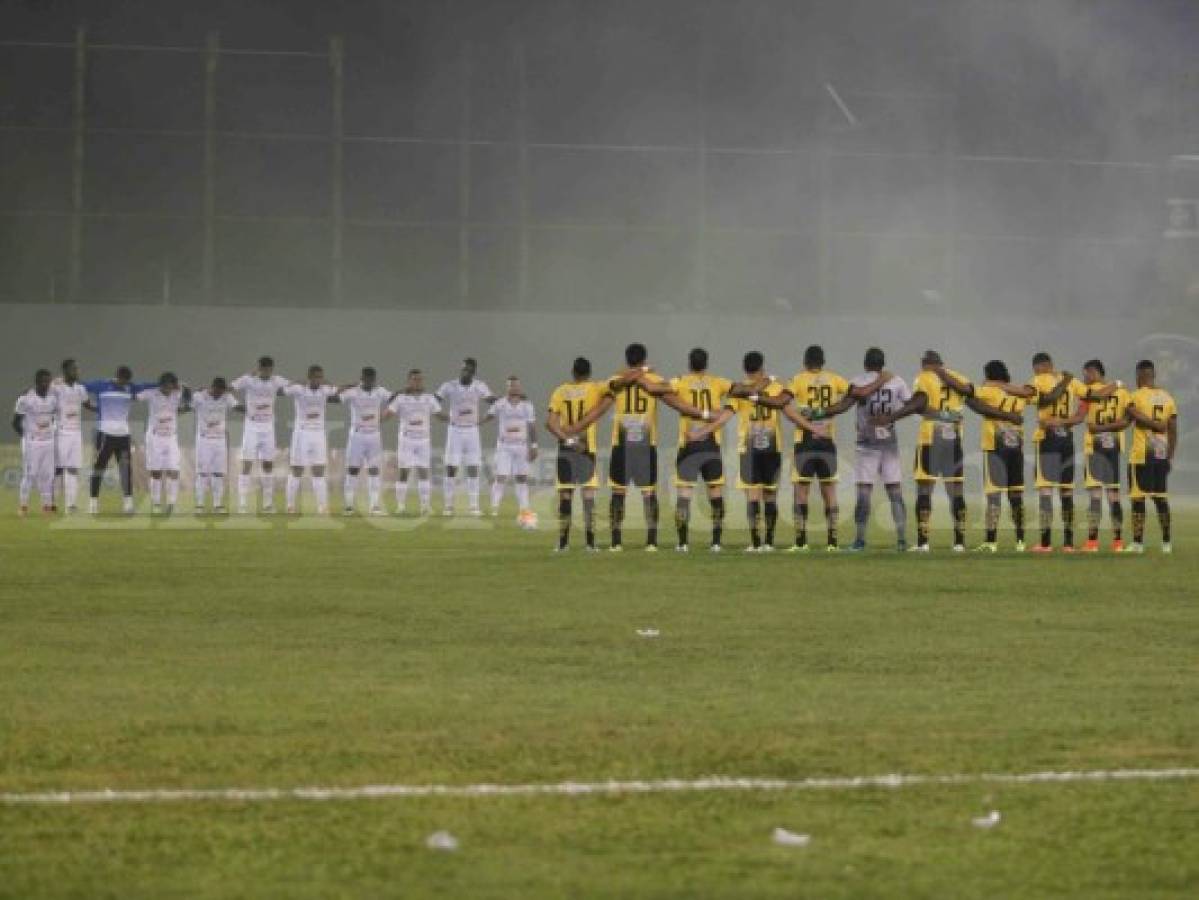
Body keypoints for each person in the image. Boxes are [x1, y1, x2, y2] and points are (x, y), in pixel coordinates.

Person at [743, 345, 889, 551]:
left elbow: (781, 402)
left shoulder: (798, 379)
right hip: (827, 440)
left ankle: (801, 542)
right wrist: (834, 409)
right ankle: (832, 542)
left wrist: (757, 397)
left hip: (805, 440)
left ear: (805, 361)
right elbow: (857, 394)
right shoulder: (834, 379)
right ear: (823, 362)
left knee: (801, 491)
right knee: (829, 492)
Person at [569, 344, 712, 551]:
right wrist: (704, 415)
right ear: (644, 359)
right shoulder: (653, 380)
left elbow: (613, 390)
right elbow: (675, 402)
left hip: (622, 446)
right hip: (645, 446)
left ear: (627, 360)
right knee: (648, 494)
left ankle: (616, 543)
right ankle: (651, 542)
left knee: (618, 493)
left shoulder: (615, 380)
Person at [1012, 352, 1116, 553]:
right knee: (1066, 492)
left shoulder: (1039, 379)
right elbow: (1094, 396)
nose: (1035, 371)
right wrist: (1117, 384)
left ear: (1040, 366)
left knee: (1045, 491)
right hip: (1067, 439)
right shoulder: (1074, 382)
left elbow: (1041, 400)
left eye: (1036, 368)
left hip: (1048, 438)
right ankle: (1068, 543)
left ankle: (1045, 543)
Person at [873, 351, 973, 551]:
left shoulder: (923, 378)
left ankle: (923, 543)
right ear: (941, 362)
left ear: (925, 364)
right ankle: (960, 543)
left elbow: (919, 403)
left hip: (930, 439)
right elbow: (969, 391)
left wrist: (892, 417)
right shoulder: (958, 377)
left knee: (925, 490)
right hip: (953, 439)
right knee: (955, 492)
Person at [692, 352, 791, 552]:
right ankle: (769, 543)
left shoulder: (739, 392)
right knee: (770, 495)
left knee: (752, 496)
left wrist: (702, 431)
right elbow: (789, 412)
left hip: (749, 450)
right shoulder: (777, 387)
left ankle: (755, 543)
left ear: (745, 369)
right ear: (762, 366)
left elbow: (723, 418)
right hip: (773, 448)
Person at [948, 361, 1028, 552]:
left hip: (995, 448)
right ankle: (1021, 541)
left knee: (994, 496)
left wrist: (956, 387)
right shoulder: (1019, 396)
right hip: (1016, 448)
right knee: (1016, 495)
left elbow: (970, 396)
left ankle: (991, 541)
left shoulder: (989, 391)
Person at [665, 348, 733, 552]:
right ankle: (716, 542)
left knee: (684, 494)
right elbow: (737, 394)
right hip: (711, 444)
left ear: (689, 363)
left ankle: (683, 542)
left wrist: (683, 407)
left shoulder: (680, 381)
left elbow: (662, 392)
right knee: (715, 493)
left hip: (689, 444)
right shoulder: (718, 382)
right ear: (706, 363)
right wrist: (717, 414)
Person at [846, 348, 911, 551]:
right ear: (883, 364)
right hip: (889, 443)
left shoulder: (857, 380)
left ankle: (859, 540)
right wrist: (893, 417)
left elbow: (852, 400)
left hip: (866, 443)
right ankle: (901, 540)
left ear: (865, 363)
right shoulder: (897, 381)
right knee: (895, 492)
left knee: (864, 493)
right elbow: (911, 404)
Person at [545, 357, 607, 552]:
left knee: (565, 496)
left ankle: (563, 544)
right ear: (589, 373)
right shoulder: (596, 388)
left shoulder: (560, 391)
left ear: (573, 372)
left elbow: (550, 424)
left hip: (566, 450)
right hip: (586, 448)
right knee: (588, 497)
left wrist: (568, 440)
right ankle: (590, 544)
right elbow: (615, 388)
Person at [83, 366, 156, 515]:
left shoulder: (130, 387)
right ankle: (93, 503)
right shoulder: (101, 385)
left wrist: (166, 383)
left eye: (127, 381)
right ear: (117, 377)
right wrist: (62, 382)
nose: (124, 384)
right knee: (99, 468)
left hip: (123, 435)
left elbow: (148, 385)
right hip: (104, 434)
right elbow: (81, 386)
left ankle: (128, 504)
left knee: (125, 469)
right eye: (122, 381)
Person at [1123, 359, 1178, 554]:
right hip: (1161, 455)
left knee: (1138, 499)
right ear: (1153, 375)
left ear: (1139, 375)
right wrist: (1169, 457)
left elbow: (1125, 421)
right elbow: (1173, 431)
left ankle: (1137, 544)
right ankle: (1166, 543)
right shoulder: (1168, 398)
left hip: (1141, 455)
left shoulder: (1135, 396)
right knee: (1161, 499)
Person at [1078, 360, 1130, 552]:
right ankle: (1118, 542)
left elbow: (1079, 416)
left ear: (1094, 372)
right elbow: (1129, 418)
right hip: (1114, 449)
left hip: (1094, 448)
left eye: (1086, 374)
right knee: (1114, 496)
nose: (1085, 378)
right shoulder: (1123, 392)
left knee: (1095, 496)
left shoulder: (1087, 392)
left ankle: (1092, 542)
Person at [435, 358, 495, 516]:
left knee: (473, 467)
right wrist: (442, 415)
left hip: (472, 431)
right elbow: (434, 401)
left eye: (469, 370)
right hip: (454, 431)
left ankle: (474, 506)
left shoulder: (479, 386)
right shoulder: (449, 386)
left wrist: (485, 418)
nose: (465, 372)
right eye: (463, 369)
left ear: (474, 372)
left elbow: (494, 402)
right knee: (451, 468)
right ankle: (448, 506)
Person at [231, 357, 289, 514]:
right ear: (259, 368)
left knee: (268, 465)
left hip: (268, 427)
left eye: (269, 369)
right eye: (263, 368)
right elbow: (231, 387)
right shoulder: (249, 380)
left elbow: (291, 388)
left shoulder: (277, 381)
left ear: (272, 368)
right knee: (247, 464)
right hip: (251, 427)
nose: (266, 371)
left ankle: (268, 504)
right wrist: (237, 405)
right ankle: (242, 503)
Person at [283, 365, 340, 515]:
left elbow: (338, 391)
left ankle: (322, 506)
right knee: (297, 470)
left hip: (319, 434)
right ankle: (290, 505)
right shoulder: (299, 389)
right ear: (309, 378)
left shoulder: (325, 390)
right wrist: (297, 381)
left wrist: (328, 382)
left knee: (319, 470)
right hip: (301, 434)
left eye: (321, 377)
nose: (319, 380)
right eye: (316, 377)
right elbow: (280, 391)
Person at [385, 369, 441, 515]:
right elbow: (388, 414)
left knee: (424, 472)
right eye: (415, 379)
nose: (418, 382)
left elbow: (439, 414)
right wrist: (375, 420)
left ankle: (425, 506)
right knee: (404, 472)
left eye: (420, 379)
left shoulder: (429, 398)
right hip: (406, 440)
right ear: (409, 381)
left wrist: (454, 419)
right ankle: (401, 506)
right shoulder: (401, 398)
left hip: (424, 440)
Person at [136, 373, 191, 515]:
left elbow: (188, 401)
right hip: (154, 437)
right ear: (160, 384)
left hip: (171, 437)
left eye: (171, 385)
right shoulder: (151, 394)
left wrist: (186, 388)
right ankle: (156, 503)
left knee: (174, 470)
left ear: (173, 385)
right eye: (165, 384)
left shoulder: (176, 394)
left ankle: (172, 503)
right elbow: (134, 396)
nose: (168, 388)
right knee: (156, 472)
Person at [340, 367, 392, 516]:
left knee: (374, 470)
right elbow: (334, 398)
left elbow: (395, 398)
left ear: (374, 379)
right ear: (362, 378)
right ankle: (349, 506)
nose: (369, 381)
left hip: (374, 435)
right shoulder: (353, 392)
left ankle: (375, 506)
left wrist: (386, 414)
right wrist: (346, 386)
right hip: (357, 435)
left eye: (371, 379)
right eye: (366, 378)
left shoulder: (380, 391)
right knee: (353, 470)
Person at [485, 376, 537, 517]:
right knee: (501, 476)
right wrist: (477, 422)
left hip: (521, 446)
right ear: (507, 387)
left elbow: (532, 426)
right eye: (511, 385)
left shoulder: (527, 405)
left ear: (520, 387)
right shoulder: (500, 404)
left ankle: (524, 508)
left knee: (521, 477)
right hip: (504, 446)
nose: (514, 388)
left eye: (516, 385)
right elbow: (488, 416)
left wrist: (534, 445)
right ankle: (494, 507)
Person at [191, 377, 242, 514]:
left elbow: (237, 407)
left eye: (221, 391)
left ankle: (218, 505)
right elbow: (189, 406)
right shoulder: (199, 396)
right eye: (217, 391)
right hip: (204, 439)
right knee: (202, 473)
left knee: (218, 473)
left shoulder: (226, 396)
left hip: (220, 440)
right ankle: (200, 505)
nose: (219, 394)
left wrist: (251, 409)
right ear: (212, 387)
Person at [12, 369, 58, 516]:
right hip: (32, 442)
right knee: (30, 474)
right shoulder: (26, 398)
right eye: (44, 381)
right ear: (37, 383)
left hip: (48, 442)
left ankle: (46, 507)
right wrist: (26, 436)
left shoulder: (53, 398)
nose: (47, 384)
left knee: (47, 475)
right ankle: (23, 506)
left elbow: (55, 417)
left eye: (48, 381)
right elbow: (15, 422)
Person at [52, 358, 89, 513]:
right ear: (65, 371)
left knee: (73, 468)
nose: (77, 372)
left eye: (78, 369)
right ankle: (51, 502)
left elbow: (87, 404)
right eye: (74, 369)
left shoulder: (80, 389)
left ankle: (70, 505)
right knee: (58, 468)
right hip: (60, 432)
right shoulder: (56, 388)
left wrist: (103, 409)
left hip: (76, 433)